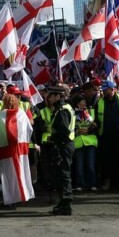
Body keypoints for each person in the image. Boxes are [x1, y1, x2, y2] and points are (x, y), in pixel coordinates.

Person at [43, 84, 75, 216]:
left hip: (63, 145)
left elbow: (64, 131)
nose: (47, 97)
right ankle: (63, 200)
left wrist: (53, 138)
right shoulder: (61, 108)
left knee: (63, 174)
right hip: (64, 144)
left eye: (50, 95)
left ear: (57, 96)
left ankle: (66, 203)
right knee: (59, 173)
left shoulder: (62, 110)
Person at [95, 81, 119, 190]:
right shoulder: (99, 102)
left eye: (106, 89)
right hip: (105, 135)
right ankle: (107, 182)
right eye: (103, 90)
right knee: (107, 160)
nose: (104, 91)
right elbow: (96, 119)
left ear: (113, 89)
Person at [72, 95, 98, 191]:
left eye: (85, 101)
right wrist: (76, 132)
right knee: (79, 165)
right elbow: (69, 126)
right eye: (82, 101)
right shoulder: (72, 113)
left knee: (91, 165)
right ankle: (80, 184)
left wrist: (88, 130)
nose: (85, 103)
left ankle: (92, 184)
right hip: (78, 142)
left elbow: (96, 124)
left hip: (90, 141)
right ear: (78, 103)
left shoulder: (90, 111)